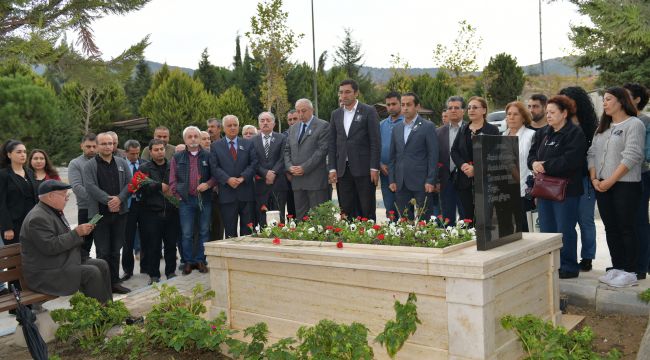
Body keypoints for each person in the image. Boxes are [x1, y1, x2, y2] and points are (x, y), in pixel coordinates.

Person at [588, 87, 645, 287]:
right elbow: (592, 153)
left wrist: (610, 181)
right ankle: (618, 267)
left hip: (625, 186)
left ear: (621, 101)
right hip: (602, 184)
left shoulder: (634, 124)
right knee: (611, 229)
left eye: (608, 99)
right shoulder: (602, 127)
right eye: (603, 100)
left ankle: (631, 271)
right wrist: (595, 179)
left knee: (626, 228)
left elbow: (632, 155)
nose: (604, 103)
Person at [20, 180, 112, 303]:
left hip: (59, 262)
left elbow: (60, 239)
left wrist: (80, 232)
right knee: (92, 272)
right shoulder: (38, 217)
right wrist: (77, 233)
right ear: (51, 196)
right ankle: (101, 316)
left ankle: (109, 309)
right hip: (45, 273)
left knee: (102, 264)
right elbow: (50, 246)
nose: (67, 199)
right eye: (64, 195)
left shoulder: (50, 210)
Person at [528, 95, 586, 279]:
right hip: (544, 190)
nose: (549, 116)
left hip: (566, 191)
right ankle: (552, 264)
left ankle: (569, 266)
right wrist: (533, 164)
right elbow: (531, 155)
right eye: (547, 113)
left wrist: (545, 165)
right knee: (547, 229)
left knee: (565, 229)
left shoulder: (574, 133)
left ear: (564, 113)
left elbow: (571, 160)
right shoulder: (542, 132)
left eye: (552, 112)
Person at [83, 132, 132, 294]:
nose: (107, 146)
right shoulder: (89, 166)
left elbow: (130, 183)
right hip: (100, 215)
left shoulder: (121, 162)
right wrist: (108, 200)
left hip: (120, 214)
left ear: (114, 145)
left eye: (110, 143)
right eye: (103, 144)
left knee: (115, 249)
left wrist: (119, 199)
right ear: (97, 146)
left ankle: (115, 282)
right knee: (102, 251)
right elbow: (90, 186)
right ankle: (104, 285)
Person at [328, 79, 381, 220]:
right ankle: (348, 237)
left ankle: (369, 236)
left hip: (364, 169)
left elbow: (375, 142)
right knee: (345, 207)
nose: (343, 95)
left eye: (347, 92)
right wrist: (332, 168)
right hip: (342, 170)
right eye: (341, 92)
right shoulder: (336, 114)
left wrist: (374, 168)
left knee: (366, 207)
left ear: (356, 93)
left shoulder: (368, 111)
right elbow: (332, 143)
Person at [559, 86, 599, 272]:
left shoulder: (590, 125)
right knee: (567, 222)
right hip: (563, 180)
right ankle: (568, 257)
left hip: (584, 178)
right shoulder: (559, 124)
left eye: (570, 100)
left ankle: (588, 257)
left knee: (585, 220)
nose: (566, 103)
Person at [170, 126, 215, 275]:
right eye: (190, 137)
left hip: (205, 199)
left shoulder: (208, 156)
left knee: (204, 231)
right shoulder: (177, 157)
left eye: (196, 136)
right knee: (187, 233)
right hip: (186, 201)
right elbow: (173, 179)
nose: (193, 139)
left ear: (200, 138)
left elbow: (216, 176)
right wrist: (178, 195)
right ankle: (188, 261)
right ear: (185, 140)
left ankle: (201, 260)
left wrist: (208, 184)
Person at [388, 92, 438, 220]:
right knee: (405, 220)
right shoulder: (397, 128)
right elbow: (393, 156)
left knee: (424, 220)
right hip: (401, 182)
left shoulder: (428, 126)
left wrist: (430, 180)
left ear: (417, 106)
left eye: (408, 105)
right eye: (403, 104)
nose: (405, 108)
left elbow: (433, 155)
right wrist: (392, 179)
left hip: (422, 182)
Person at [451, 96, 499, 222]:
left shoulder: (492, 130)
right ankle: (470, 241)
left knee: (484, 217)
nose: (471, 110)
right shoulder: (463, 129)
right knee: (466, 217)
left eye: (475, 107)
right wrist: (463, 166)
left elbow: (494, 154)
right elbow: (454, 151)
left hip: (484, 180)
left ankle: (484, 241)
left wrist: (476, 169)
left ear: (484, 110)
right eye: (469, 108)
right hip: (464, 179)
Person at [138, 139, 179, 284]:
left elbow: (176, 184)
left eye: (161, 149)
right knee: (153, 245)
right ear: (150, 152)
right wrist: (158, 186)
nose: (160, 152)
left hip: (171, 212)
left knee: (170, 245)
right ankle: (154, 274)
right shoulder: (143, 168)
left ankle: (171, 272)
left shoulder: (172, 166)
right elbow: (141, 187)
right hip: (152, 213)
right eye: (156, 149)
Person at [211, 115, 257, 237]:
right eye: (229, 125)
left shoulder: (248, 144)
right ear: (223, 128)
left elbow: (253, 164)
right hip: (227, 194)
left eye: (235, 125)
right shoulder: (215, 146)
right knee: (230, 231)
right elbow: (214, 167)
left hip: (246, 193)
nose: (232, 128)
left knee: (247, 231)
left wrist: (242, 178)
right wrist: (227, 179)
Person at [284, 98, 330, 220]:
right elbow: (287, 150)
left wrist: (304, 168)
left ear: (312, 110)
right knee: (301, 218)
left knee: (319, 218)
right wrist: (289, 167)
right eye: (298, 111)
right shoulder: (293, 128)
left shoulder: (323, 126)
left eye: (303, 111)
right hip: (297, 181)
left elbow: (321, 151)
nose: (300, 114)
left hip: (315, 180)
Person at [623, 83, 650, 277]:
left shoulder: (645, 121)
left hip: (640, 176)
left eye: (626, 96)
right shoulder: (619, 121)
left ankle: (642, 266)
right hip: (621, 178)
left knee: (639, 221)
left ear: (638, 99)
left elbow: (645, 153)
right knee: (626, 223)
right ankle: (629, 263)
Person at [502, 101, 536, 231]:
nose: (511, 117)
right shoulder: (502, 136)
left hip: (524, 190)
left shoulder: (531, 135)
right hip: (505, 191)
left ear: (523, 117)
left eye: (515, 114)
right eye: (509, 114)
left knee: (525, 230)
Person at [252, 112, 288, 225]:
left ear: (274, 123)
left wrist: (273, 173)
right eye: (262, 121)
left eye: (268, 120)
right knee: (262, 217)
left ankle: (280, 240)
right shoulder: (252, 141)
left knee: (279, 216)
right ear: (259, 123)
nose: (265, 123)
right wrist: (265, 173)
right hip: (261, 185)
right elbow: (253, 161)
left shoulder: (282, 138)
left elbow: (283, 158)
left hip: (278, 183)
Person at [0, 140, 37, 247]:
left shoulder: (30, 172)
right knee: (16, 258)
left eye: (24, 152)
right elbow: (1, 203)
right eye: (19, 152)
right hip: (14, 225)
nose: (23, 155)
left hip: (32, 222)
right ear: (9, 155)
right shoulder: (3, 175)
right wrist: (7, 227)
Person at [437, 96, 466, 225]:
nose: (453, 110)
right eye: (450, 108)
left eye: (456, 107)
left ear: (463, 111)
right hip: (445, 181)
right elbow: (434, 158)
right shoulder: (438, 132)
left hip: (465, 181)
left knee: (467, 219)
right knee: (447, 219)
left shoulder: (470, 130)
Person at [121, 139, 147, 281]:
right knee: (128, 239)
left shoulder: (144, 164)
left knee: (146, 237)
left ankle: (145, 266)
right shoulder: (120, 165)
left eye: (137, 153)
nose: (135, 156)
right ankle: (127, 270)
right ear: (126, 153)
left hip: (143, 206)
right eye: (132, 154)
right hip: (128, 206)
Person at [68, 133, 97, 257]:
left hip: (103, 209)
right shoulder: (75, 163)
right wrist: (99, 199)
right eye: (88, 146)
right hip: (86, 209)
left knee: (104, 245)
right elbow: (77, 187)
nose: (91, 149)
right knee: (85, 244)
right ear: (82, 146)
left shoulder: (102, 161)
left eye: (94, 146)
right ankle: (84, 272)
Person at [379, 92, 404, 220]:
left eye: (394, 104)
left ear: (401, 104)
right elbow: (375, 147)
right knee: (390, 209)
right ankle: (391, 233)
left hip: (403, 173)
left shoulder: (407, 122)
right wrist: (379, 164)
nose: (391, 107)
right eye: (388, 105)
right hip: (385, 174)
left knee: (405, 208)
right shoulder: (382, 124)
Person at [284, 110, 299, 218]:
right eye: (290, 119)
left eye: (295, 119)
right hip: (289, 178)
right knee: (292, 207)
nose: (292, 122)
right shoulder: (283, 136)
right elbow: (282, 156)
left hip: (304, 173)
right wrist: (287, 172)